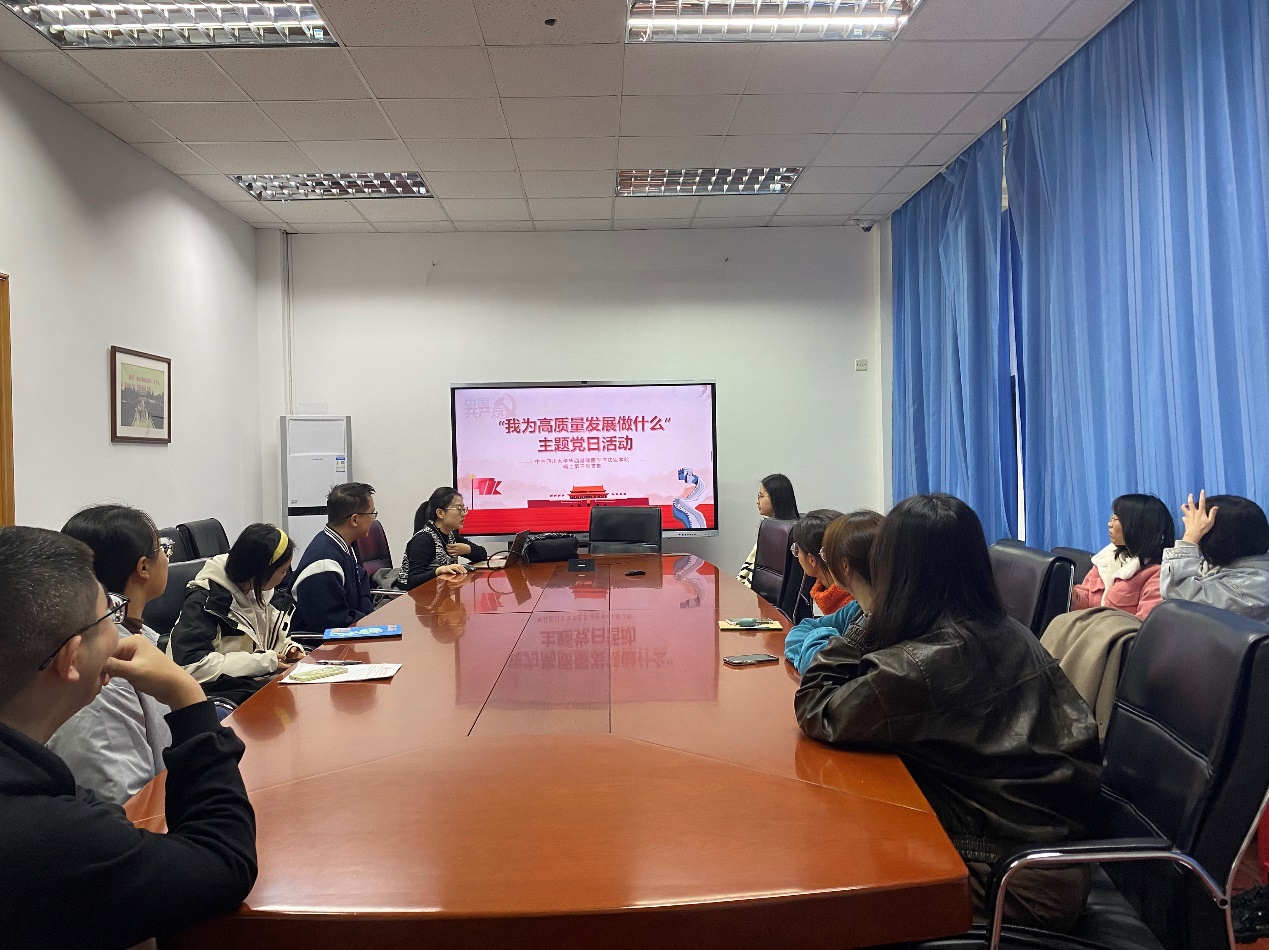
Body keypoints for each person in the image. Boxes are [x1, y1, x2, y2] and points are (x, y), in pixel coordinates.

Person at [795, 494, 1102, 931]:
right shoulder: (1005, 629)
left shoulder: (919, 665)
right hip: (1050, 859)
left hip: (1012, 878)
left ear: (896, 569)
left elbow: (817, 705)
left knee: (829, 878)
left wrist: (872, 610)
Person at [0, 526, 256, 949]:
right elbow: (223, 865)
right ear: (72, 658)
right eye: (110, 615)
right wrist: (188, 698)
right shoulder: (56, 837)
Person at [45, 505, 174, 805]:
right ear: (143, 567)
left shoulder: (136, 637)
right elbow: (121, 799)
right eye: (163, 549)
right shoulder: (104, 669)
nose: (168, 558)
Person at [169, 523, 304, 705]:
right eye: (283, 571)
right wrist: (263, 663)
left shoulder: (261, 592)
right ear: (261, 573)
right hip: (218, 699)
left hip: (255, 688)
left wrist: (287, 649)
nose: (285, 576)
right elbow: (191, 666)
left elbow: (261, 642)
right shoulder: (206, 602)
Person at [784, 510, 883, 675]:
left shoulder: (879, 625)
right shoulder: (856, 608)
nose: (825, 561)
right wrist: (829, 642)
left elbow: (822, 666)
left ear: (844, 565)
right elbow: (803, 628)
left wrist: (825, 640)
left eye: (826, 554)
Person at [1159, 491, 1269, 621]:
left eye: (1201, 530)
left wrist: (1190, 538)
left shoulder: (1254, 584)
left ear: (1219, 538)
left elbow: (1177, 599)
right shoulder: (1218, 563)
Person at [1069, 493, 1175, 620]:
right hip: (1086, 628)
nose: (1109, 524)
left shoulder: (1156, 575)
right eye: (1111, 518)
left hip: (1111, 632)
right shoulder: (1106, 559)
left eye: (1116, 519)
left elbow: (1144, 625)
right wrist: (1073, 597)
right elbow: (1085, 595)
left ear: (1136, 526)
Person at [292, 482, 377, 632]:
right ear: (354, 520)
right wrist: (368, 621)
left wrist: (370, 618)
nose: (373, 519)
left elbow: (362, 588)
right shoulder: (324, 563)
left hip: (352, 632)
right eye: (372, 514)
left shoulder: (343, 545)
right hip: (322, 643)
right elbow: (331, 623)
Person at [398, 487, 489, 591]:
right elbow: (412, 582)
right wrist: (438, 571)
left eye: (464, 509)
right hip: (413, 597)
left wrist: (468, 549)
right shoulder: (423, 540)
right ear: (440, 513)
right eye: (459, 509)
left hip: (438, 593)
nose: (464, 514)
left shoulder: (450, 535)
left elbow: (483, 555)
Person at [737, 473, 798, 588]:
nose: (757, 501)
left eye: (761, 496)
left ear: (776, 498)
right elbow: (748, 570)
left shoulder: (777, 533)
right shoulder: (773, 528)